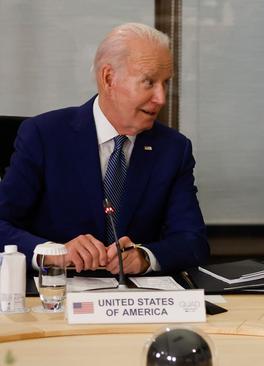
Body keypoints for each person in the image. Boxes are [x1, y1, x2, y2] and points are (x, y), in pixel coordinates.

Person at [0, 23, 209, 275]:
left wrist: (145, 257)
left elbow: (193, 241)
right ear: (108, 78)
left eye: (165, 83)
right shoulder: (43, 136)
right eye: (149, 82)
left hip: (137, 303)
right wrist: (53, 253)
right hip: (55, 297)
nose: (161, 98)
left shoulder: (173, 149)